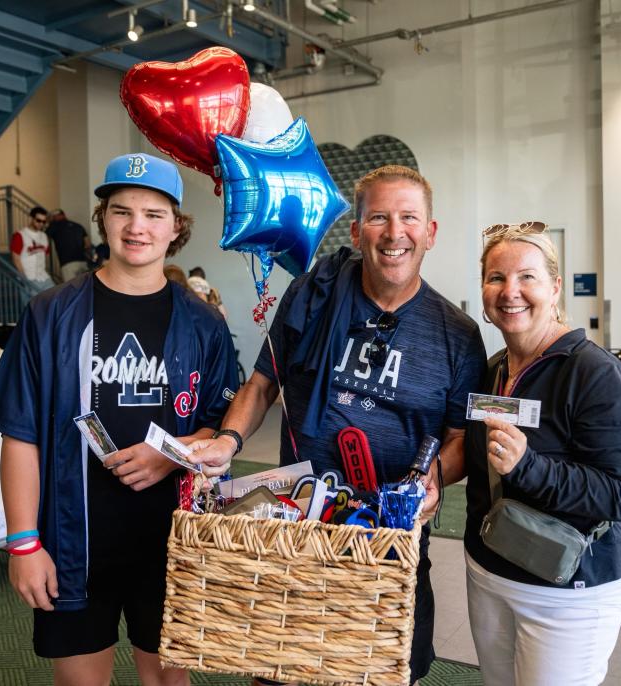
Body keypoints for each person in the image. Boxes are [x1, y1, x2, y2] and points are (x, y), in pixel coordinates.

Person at [188, 164, 487, 685]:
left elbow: (461, 438)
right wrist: (228, 440)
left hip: (388, 540)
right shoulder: (311, 297)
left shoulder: (457, 335)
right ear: (355, 231)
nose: (395, 234)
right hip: (296, 528)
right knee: (279, 669)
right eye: (378, 218)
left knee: (388, 673)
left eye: (409, 218)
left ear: (430, 233)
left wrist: (434, 476)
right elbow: (262, 384)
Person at [0, 152, 239, 686]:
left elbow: (219, 426)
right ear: (103, 220)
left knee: (168, 680)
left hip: (170, 537)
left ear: (176, 227)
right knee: (80, 682)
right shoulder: (50, 313)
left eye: (153, 214)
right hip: (72, 538)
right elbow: (20, 433)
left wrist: (172, 456)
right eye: (121, 211)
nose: (136, 227)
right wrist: (24, 543)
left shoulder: (204, 323)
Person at [464, 222, 621, 686]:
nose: (510, 292)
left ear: (555, 286)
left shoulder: (596, 374)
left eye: (527, 277)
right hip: (489, 571)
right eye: (496, 278)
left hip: (570, 590)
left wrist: (529, 467)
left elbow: (620, 495)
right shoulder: (492, 371)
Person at [11, 206, 55, 296]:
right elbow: (16, 258)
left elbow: (44, 255)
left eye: (44, 222)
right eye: (38, 220)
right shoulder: (20, 235)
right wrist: (24, 277)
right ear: (31, 218)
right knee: (33, 306)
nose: (41, 224)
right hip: (29, 277)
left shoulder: (44, 236)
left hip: (43, 277)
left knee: (55, 297)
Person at [47, 208, 93, 282]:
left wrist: (49, 222)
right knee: (84, 287)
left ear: (54, 217)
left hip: (68, 263)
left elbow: (43, 236)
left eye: (53, 217)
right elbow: (88, 244)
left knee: (71, 290)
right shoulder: (78, 226)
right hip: (83, 262)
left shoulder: (54, 226)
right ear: (64, 215)